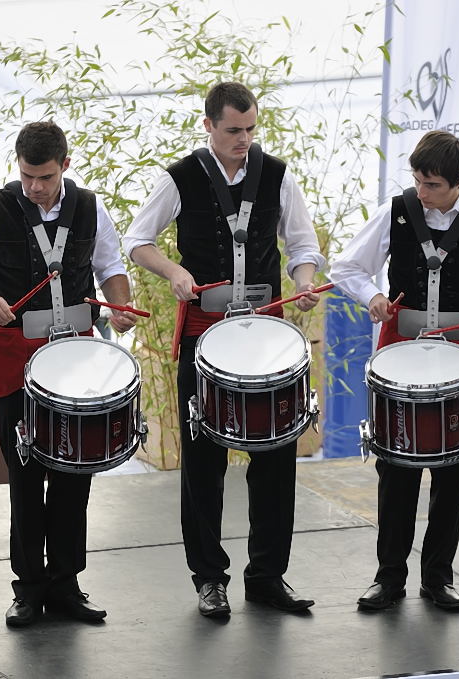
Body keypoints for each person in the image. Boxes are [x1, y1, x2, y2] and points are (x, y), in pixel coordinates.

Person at [124, 82, 326, 618]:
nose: (244, 139)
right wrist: (173, 271)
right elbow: (137, 241)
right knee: (203, 460)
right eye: (234, 130)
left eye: (251, 129)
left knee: (276, 456)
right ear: (209, 125)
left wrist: (305, 279)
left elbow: (303, 245)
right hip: (205, 334)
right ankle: (209, 579)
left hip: (266, 338)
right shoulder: (180, 177)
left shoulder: (278, 175)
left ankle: (267, 576)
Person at [0, 121, 138, 628]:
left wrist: (120, 305)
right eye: (27, 176)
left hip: (76, 358)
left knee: (75, 470)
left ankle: (66, 583)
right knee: (24, 474)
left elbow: (111, 268)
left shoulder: (89, 208)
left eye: (45, 177)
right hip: (15, 358)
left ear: (65, 166)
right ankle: (27, 588)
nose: (34, 187)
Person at [330, 130, 459, 612]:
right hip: (399, 352)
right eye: (417, 180)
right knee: (395, 467)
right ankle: (388, 577)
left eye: (432, 184)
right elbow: (347, 267)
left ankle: (439, 577)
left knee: (452, 467)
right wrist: (373, 295)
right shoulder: (397, 210)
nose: (421, 192)